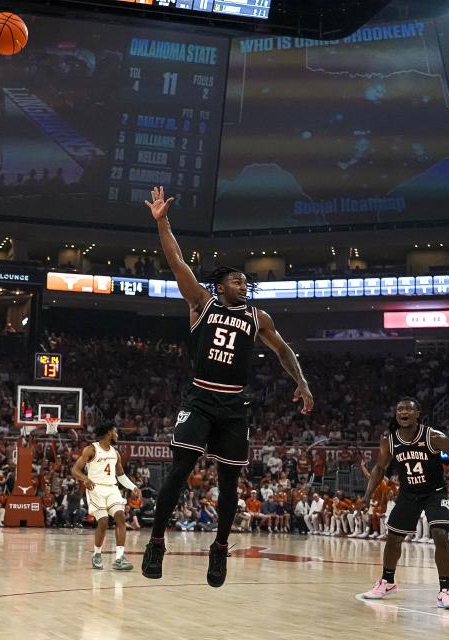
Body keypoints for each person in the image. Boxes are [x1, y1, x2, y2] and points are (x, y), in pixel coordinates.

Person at [140, 186, 314, 587]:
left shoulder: (258, 317)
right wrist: (162, 221)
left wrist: (301, 382)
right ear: (221, 286)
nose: (243, 285)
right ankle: (155, 541)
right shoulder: (202, 302)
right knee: (179, 470)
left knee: (230, 481)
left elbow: (284, 351)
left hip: (234, 405)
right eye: (236, 281)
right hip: (200, 397)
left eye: (244, 282)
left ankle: (219, 549)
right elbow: (176, 260)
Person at [359, 398, 449, 610]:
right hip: (408, 493)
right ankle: (387, 582)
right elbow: (379, 468)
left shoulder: (433, 437)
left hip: (434, 493)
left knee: (440, 535)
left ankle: (445, 591)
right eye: (400, 409)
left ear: (417, 414)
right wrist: (367, 495)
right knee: (394, 537)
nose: (403, 412)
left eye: (408, 409)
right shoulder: (390, 441)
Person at [71, 424, 137, 571]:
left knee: (120, 518)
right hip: (96, 488)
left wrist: (133, 487)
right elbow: (75, 470)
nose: (117, 435)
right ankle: (97, 555)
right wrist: (85, 479)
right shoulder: (91, 449)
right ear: (108, 433)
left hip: (112, 488)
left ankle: (119, 558)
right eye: (115, 432)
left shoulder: (115, 453)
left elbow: (120, 476)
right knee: (103, 522)